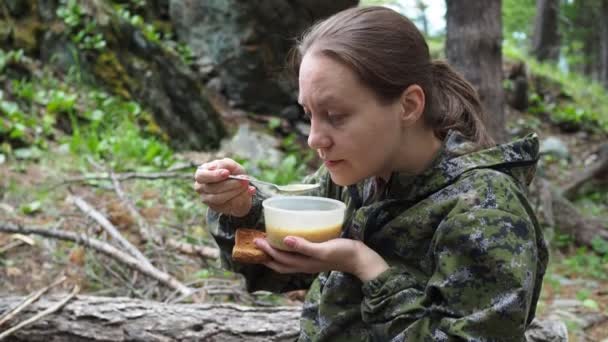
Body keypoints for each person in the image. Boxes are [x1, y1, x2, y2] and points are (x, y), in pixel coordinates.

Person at [194, 6, 548, 341]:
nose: (314, 138)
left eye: (335, 115)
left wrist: (367, 267)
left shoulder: (485, 212)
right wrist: (241, 208)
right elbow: (284, 264)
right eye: (309, 114)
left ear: (408, 105)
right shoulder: (361, 175)